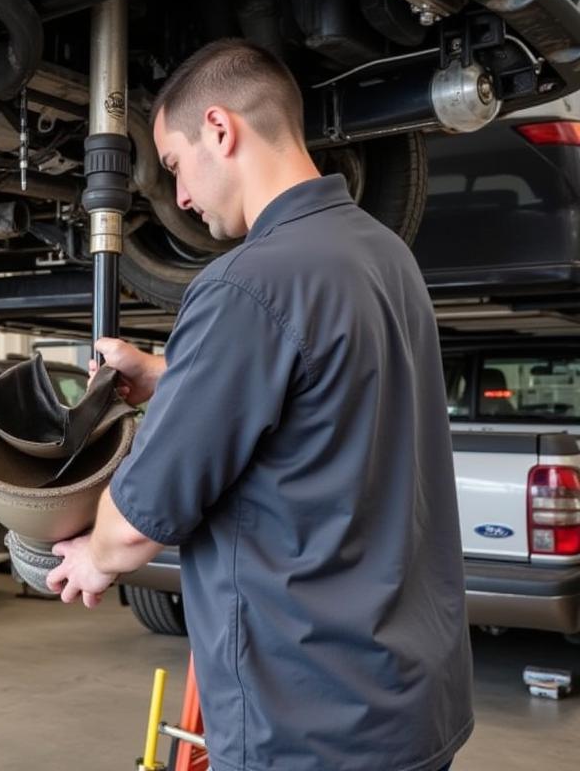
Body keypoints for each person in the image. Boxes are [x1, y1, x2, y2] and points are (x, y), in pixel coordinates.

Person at [46, 39, 473, 771]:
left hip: (311, 720)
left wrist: (93, 555)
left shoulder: (247, 283)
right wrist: (165, 372)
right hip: (410, 703)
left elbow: (143, 515)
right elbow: (318, 380)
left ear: (220, 128)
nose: (178, 197)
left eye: (176, 166)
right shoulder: (381, 254)